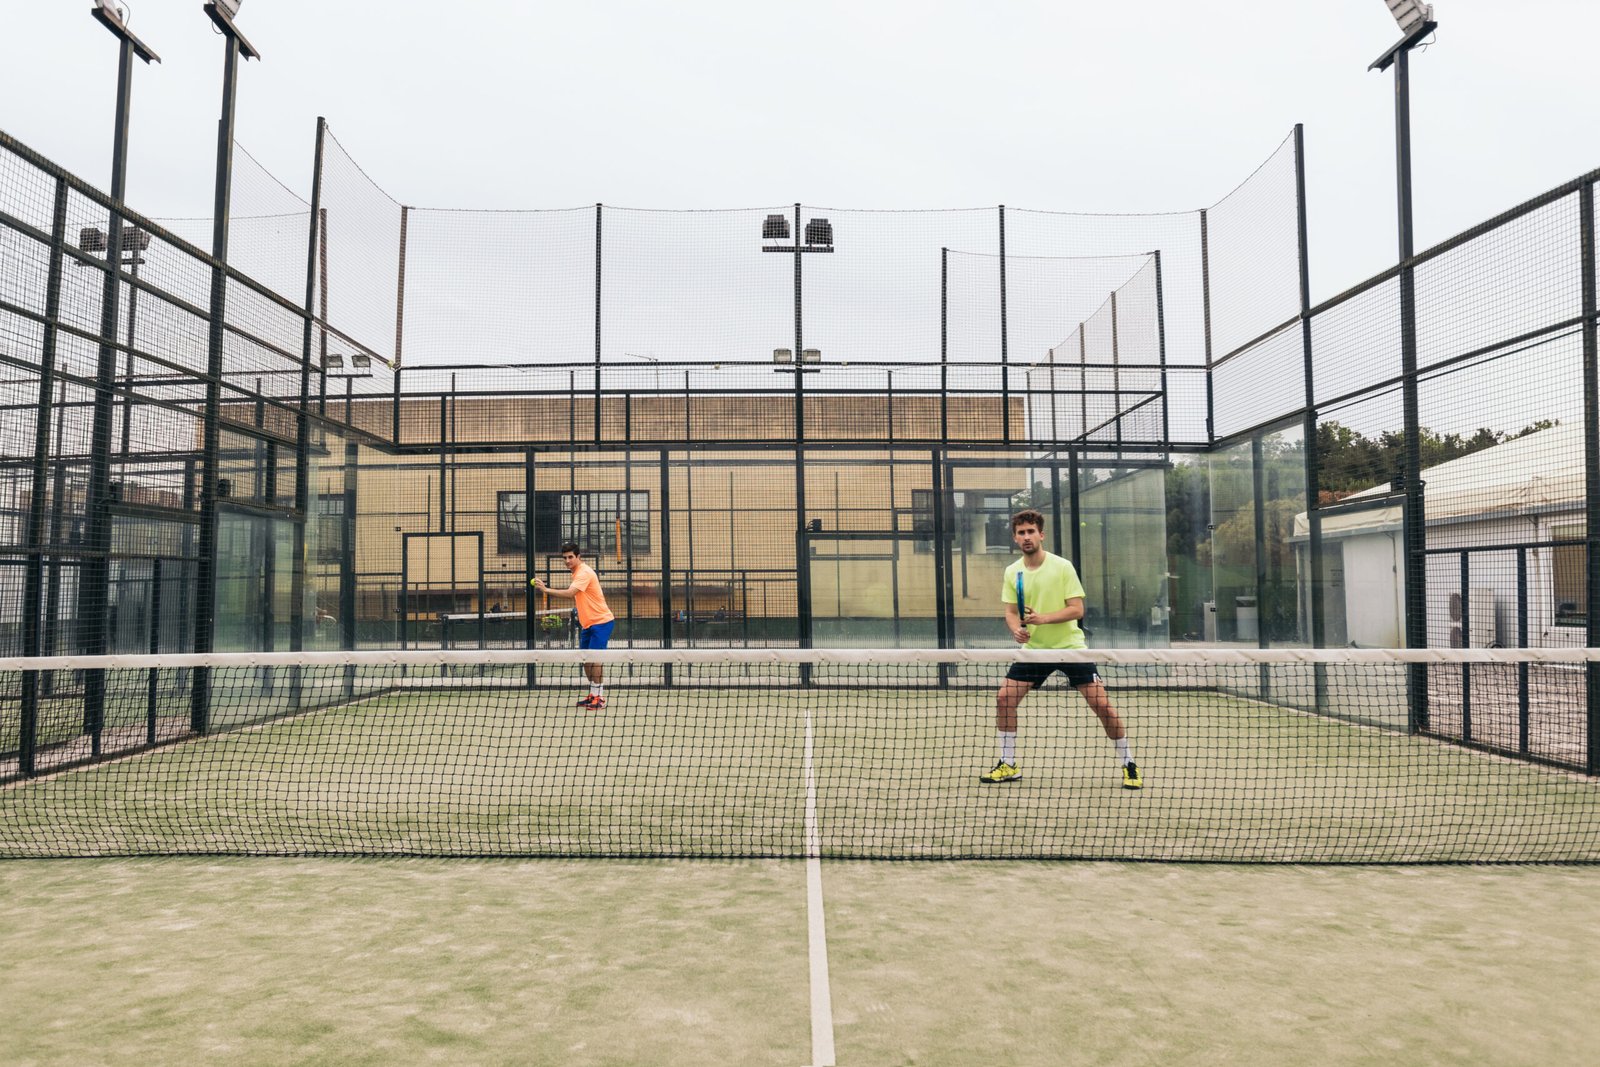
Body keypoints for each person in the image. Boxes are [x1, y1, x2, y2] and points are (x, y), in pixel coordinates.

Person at [979, 508, 1142, 790]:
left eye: (1031, 531)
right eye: (1021, 533)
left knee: (1102, 706)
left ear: (1041, 535)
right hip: (1035, 651)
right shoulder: (1012, 571)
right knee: (1004, 699)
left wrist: (1043, 618)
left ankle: (1128, 764)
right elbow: (1009, 611)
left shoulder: (1062, 567)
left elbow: (1077, 609)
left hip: (1070, 648)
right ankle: (1008, 763)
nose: (1027, 537)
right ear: (1015, 538)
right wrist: (1016, 629)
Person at [531, 542, 616, 709]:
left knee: (595, 660)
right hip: (587, 625)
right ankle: (593, 694)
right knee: (585, 660)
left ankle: (600, 698)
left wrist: (546, 590)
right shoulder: (577, 573)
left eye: (571, 557)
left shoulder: (584, 572)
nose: (568, 560)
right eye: (565, 558)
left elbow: (570, 593)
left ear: (578, 557)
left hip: (601, 622)